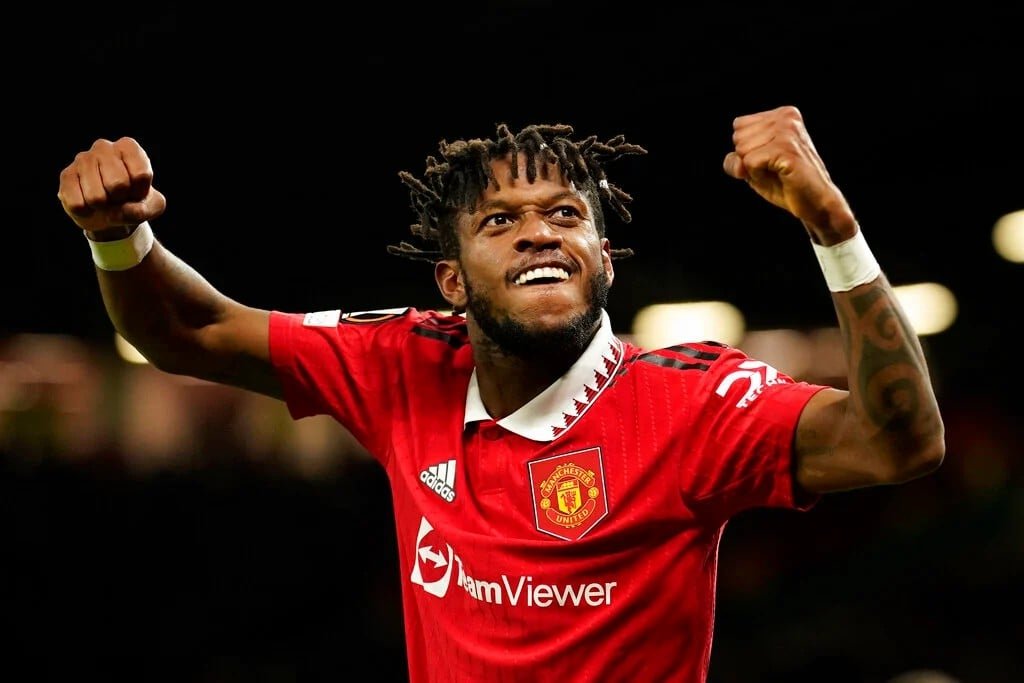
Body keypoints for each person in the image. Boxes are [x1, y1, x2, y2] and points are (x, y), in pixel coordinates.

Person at [57, 106, 945, 683]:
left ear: (603, 260)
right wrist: (118, 237)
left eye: (566, 214)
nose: (538, 234)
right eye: (500, 221)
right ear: (451, 280)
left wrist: (833, 227)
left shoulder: (694, 401)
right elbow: (189, 329)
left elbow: (898, 441)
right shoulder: (401, 363)